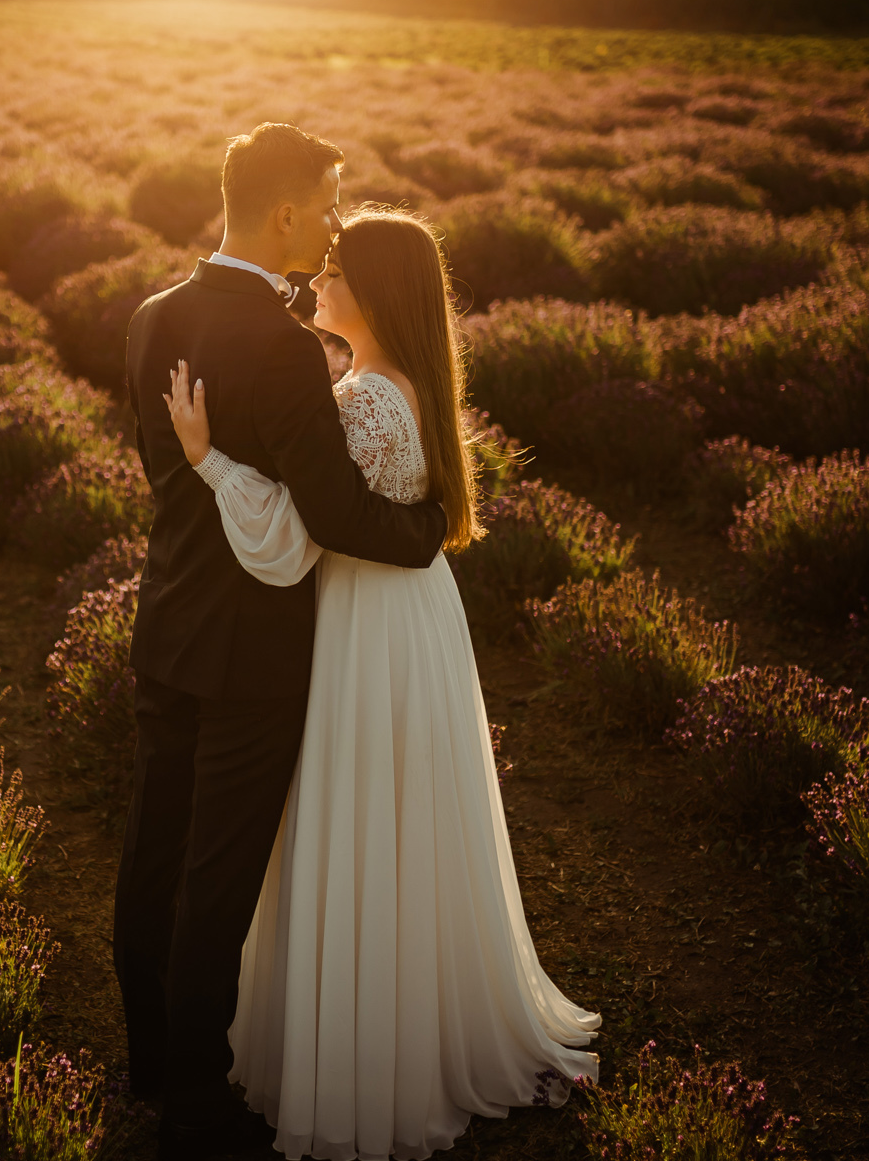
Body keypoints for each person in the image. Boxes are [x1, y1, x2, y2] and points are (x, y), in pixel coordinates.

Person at [162, 206, 602, 1160]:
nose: (317, 280)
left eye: (335, 271)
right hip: (413, 618)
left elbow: (286, 541)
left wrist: (208, 460)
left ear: (374, 291)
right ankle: (408, 1030)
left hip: (365, 620)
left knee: (358, 811)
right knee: (403, 818)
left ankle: (361, 1058)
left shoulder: (363, 402)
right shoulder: (400, 386)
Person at [118, 124, 449, 1161]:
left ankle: (145, 1061)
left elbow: (165, 486)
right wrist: (428, 530)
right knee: (220, 878)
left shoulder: (150, 318)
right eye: (330, 201)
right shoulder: (283, 347)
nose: (338, 221)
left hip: (168, 624)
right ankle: (196, 1100)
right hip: (255, 650)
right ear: (287, 214)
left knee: (153, 853)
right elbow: (341, 515)